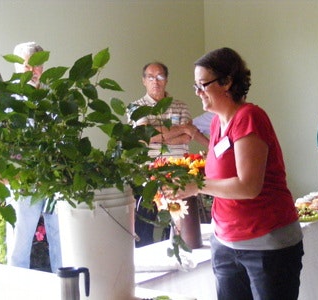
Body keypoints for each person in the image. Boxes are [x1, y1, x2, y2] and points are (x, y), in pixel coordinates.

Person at [174, 47, 304, 300]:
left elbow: (248, 186)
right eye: (195, 87)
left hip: (266, 244)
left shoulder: (249, 117)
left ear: (227, 82)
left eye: (203, 85)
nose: (198, 93)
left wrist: (197, 185)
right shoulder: (216, 123)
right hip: (225, 243)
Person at [128, 61, 208, 247]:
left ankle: (182, 257)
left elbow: (186, 139)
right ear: (143, 81)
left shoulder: (181, 105)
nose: (155, 81)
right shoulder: (135, 107)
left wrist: (156, 134)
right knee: (145, 227)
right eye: (150, 77)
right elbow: (145, 138)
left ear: (166, 79)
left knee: (181, 226)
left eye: (160, 76)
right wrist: (180, 128)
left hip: (179, 173)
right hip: (148, 173)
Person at [5, 42, 62, 273]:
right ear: (19, 66)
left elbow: (62, 134)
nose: (34, 71)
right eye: (29, 66)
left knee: (61, 239)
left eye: (38, 66)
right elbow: (4, 141)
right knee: (20, 241)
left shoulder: (53, 95)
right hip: (23, 179)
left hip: (54, 178)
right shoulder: (8, 99)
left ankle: (66, 289)